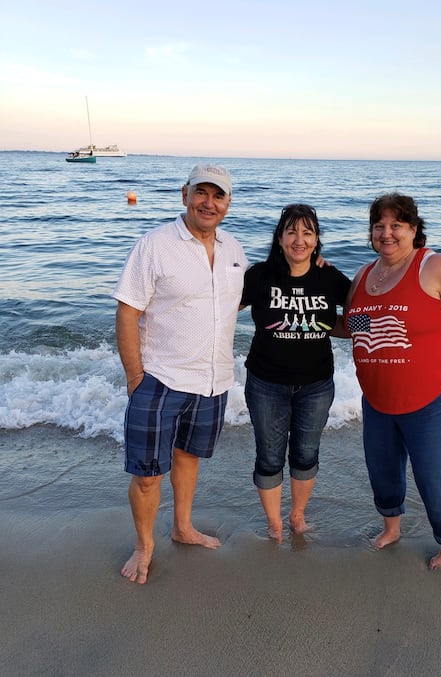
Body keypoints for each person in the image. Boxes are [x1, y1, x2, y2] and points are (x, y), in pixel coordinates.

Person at [112, 163, 248, 584]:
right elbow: (127, 311)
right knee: (148, 474)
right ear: (185, 194)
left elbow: (235, 302)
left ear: (228, 203)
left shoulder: (233, 250)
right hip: (160, 379)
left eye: (218, 195)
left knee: (188, 457)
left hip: (213, 380)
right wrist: (136, 378)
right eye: (201, 193)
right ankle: (144, 545)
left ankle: (183, 527)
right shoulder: (154, 245)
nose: (209, 202)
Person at [345, 193, 441, 569]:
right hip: (377, 393)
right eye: (379, 226)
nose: (386, 233)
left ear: (414, 229)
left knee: (431, 471)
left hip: (430, 393)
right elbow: (357, 327)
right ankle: (391, 529)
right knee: (381, 467)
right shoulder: (364, 274)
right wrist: (299, 315)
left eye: (396, 225)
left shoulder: (435, 267)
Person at [241, 204, 351, 542]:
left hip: (316, 384)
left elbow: (359, 315)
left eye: (307, 232)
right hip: (265, 383)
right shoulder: (259, 275)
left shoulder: (329, 277)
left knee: (305, 453)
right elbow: (220, 306)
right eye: (291, 231)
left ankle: (297, 515)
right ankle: (274, 523)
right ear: (279, 238)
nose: (299, 240)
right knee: (270, 455)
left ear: (317, 240)